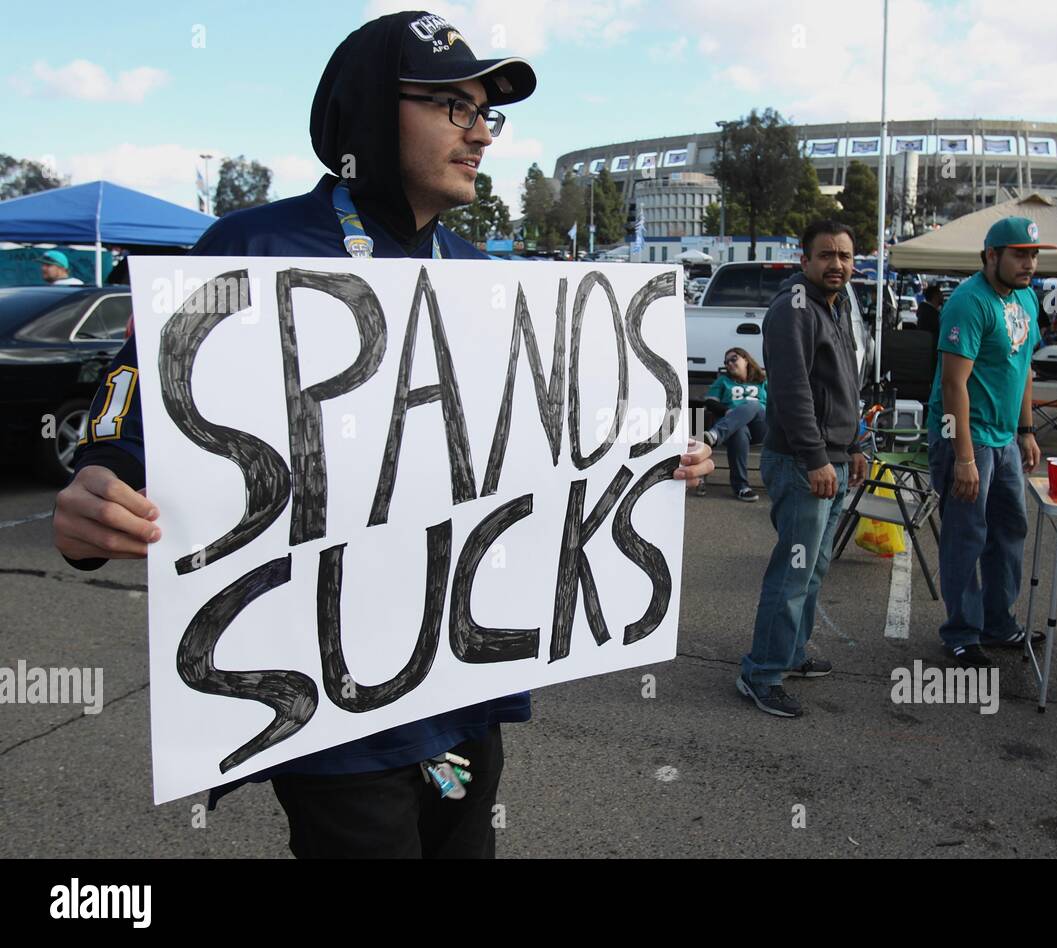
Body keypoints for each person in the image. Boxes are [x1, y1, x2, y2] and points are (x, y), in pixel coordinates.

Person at [51, 10, 713, 859]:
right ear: (367, 112)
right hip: (334, 715)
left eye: (487, 113)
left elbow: (558, 432)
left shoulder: (482, 276)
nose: (479, 134)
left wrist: (651, 456)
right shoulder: (248, 247)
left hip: (464, 688)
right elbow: (128, 392)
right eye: (451, 106)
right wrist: (96, 474)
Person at [737, 220, 868, 717]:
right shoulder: (793, 308)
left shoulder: (834, 306)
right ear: (805, 259)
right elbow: (791, 391)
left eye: (845, 256)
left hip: (832, 457)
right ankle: (761, 674)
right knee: (792, 573)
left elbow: (844, 385)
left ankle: (789, 654)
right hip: (801, 461)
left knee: (813, 570)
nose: (837, 264)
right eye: (826, 255)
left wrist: (855, 443)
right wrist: (816, 458)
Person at [926, 216, 1047, 669]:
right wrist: (963, 458)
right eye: (1020, 254)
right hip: (966, 436)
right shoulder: (968, 302)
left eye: (1033, 254)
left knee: (1010, 527)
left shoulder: (1026, 299)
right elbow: (954, 384)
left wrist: (1027, 430)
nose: (1029, 263)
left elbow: (1024, 368)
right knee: (966, 534)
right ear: (991, 255)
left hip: (1004, 438)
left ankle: (998, 622)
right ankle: (961, 632)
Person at [701, 346, 768, 502]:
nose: (729, 364)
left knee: (753, 404)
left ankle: (715, 434)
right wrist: (726, 411)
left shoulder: (763, 381)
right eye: (726, 362)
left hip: (761, 425)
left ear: (746, 359)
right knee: (739, 431)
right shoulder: (723, 381)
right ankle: (741, 487)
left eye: (734, 359)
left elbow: (775, 404)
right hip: (735, 426)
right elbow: (710, 402)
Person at [915, 283, 944, 372]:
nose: (942, 296)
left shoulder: (926, 311)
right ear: (935, 296)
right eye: (940, 294)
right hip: (930, 355)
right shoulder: (931, 315)